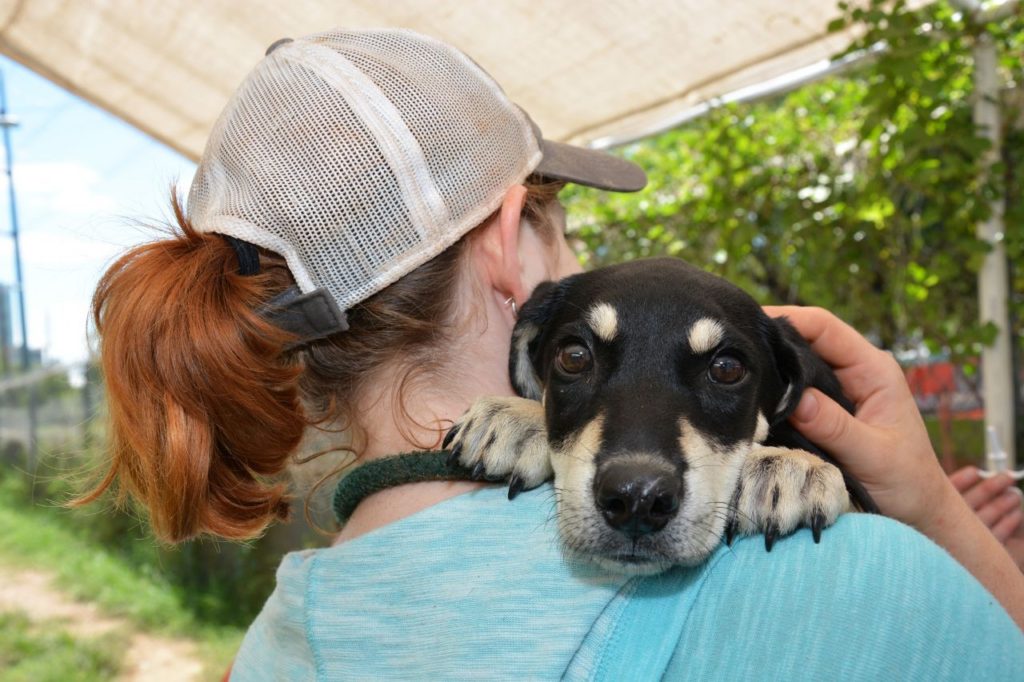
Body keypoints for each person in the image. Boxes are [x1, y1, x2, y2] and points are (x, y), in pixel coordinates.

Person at [84, 28, 1024, 679]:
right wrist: (941, 524)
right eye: (564, 234)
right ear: (506, 244)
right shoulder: (845, 586)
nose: (583, 264)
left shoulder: (278, 644)